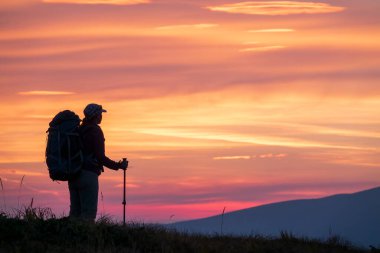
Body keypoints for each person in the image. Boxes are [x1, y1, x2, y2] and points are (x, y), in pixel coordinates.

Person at [68, 103, 128, 221]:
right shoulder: (95, 131)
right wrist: (118, 166)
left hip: (73, 174)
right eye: (100, 114)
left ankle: (71, 238)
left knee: (75, 213)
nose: (101, 116)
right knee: (88, 214)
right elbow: (100, 157)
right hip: (88, 175)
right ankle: (87, 238)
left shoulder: (78, 129)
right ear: (96, 116)